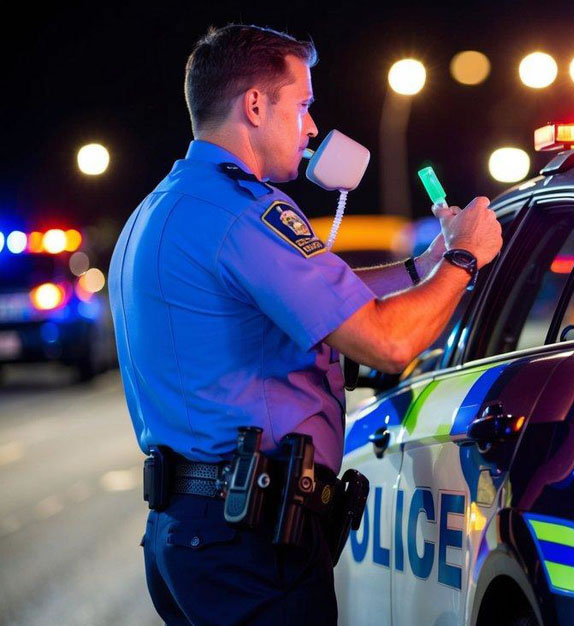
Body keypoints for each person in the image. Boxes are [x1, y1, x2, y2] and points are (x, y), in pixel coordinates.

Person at [108, 24, 501, 625]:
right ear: (255, 105)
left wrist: (424, 266)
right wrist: (464, 259)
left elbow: (318, 296)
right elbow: (388, 342)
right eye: (303, 105)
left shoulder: (162, 207)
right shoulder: (244, 212)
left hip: (188, 533)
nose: (313, 127)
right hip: (246, 540)